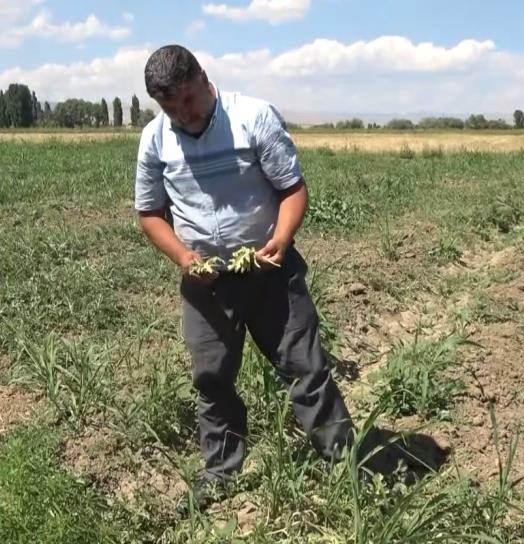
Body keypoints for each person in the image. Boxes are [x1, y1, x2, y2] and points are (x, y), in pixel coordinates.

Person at [133, 45, 361, 513]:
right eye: (169, 106)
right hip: (207, 282)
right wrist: (182, 256)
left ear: (203, 77)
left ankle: (342, 462)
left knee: (306, 368)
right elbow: (150, 213)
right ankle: (221, 474)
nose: (182, 114)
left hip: (269, 271)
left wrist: (282, 237)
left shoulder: (253, 118)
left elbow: (292, 189)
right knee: (212, 379)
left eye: (187, 100)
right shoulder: (156, 140)